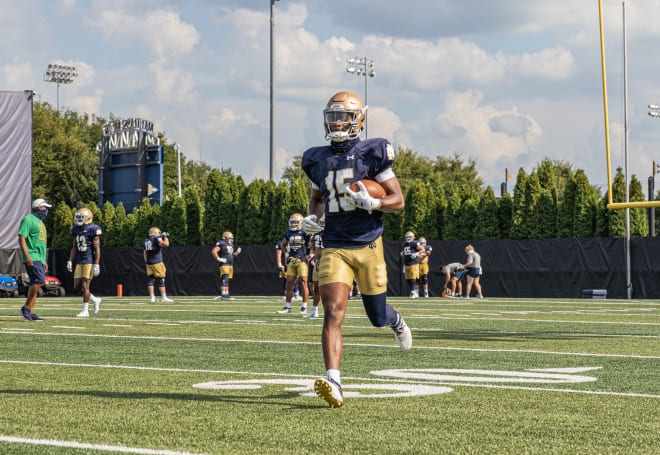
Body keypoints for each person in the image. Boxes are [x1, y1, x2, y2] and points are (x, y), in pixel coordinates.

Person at [301, 90, 412, 408]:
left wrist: (375, 202)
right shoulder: (316, 158)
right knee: (333, 313)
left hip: (368, 246)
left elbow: (398, 200)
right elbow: (318, 198)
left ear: (358, 119)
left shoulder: (372, 152)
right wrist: (312, 218)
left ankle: (395, 321)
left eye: (344, 116)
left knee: (377, 317)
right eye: (333, 116)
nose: (337, 122)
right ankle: (334, 380)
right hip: (335, 246)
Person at [18, 198, 51, 321]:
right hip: (32, 255)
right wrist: (27, 255)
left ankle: (30, 313)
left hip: (39, 257)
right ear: (38, 207)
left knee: (34, 283)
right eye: (44, 207)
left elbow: (41, 244)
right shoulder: (28, 219)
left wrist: (44, 260)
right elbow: (21, 237)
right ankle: (26, 307)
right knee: (39, 280)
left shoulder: (40, 222)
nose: (46, 210)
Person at [67, 207, 103, 317]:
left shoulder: (93, 229)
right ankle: (95, 300)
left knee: (85, 285)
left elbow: (97, 248)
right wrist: (70, 260)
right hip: (80, 260)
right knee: (77, 287)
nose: (78, 219)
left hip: (89, 260)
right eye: (78, 217)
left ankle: (85, 311)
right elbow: (74, 247)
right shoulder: (76, 229)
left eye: (81, 217)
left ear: (88, 218)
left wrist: (96, 264)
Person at [277, 213, 310, 314]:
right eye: (292, 222)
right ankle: (287, 307)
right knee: (289, 283)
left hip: (302, 260)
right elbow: (283, 244)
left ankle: (304, 307)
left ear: (301, 223)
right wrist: (286, 254)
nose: (294, 225)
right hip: (291, 260)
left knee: (304, 283)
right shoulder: (288, 232)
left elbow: (311, 243)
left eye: (296, 222)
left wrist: (309, 254)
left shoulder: (305, 232)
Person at [143, 227, 174, 302]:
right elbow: (166, 244)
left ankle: (152, 298)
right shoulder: (156, 238)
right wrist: (165, 237)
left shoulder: (146, 240)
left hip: (149, 263)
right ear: (156, 232)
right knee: (161, 279)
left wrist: (146, 261)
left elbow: (144, 252)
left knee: (150, 279)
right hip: (157, 262)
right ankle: (164, 297)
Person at [212, 231, 242, 300]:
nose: (231, 239)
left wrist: (237, 252)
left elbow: (232, 254)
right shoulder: (221, 243)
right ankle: (224, 295)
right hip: (224, 264)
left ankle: (227, 295)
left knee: (227, 280)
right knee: (224, 279)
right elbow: (214, 251)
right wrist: (219, 259)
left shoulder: (231, 244)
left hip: (230, 264)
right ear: (225, 237)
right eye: (230, 238)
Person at [305, 217, 325, 318]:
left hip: (327, 262)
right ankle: (314, 310)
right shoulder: (316, 233)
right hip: (317, 262)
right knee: (316, 287)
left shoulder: (332, 232)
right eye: (320, 222)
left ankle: (330, 311)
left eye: (323, 222)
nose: (321, 224)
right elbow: (311, 247)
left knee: (327, 288)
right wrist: (311, 240)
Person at [400, 231, 425, 298]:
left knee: (413, 278)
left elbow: (422, 249)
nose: (408, 238)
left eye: (410, 236)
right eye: (407, 236)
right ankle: (413, 290)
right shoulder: (404, 244)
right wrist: (402, 253)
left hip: (414, 263)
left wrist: (416, 254)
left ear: (413, 237)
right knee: (407, 278)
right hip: (406, 263)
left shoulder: (414, 243)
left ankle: (413, 291)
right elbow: (404, 251)